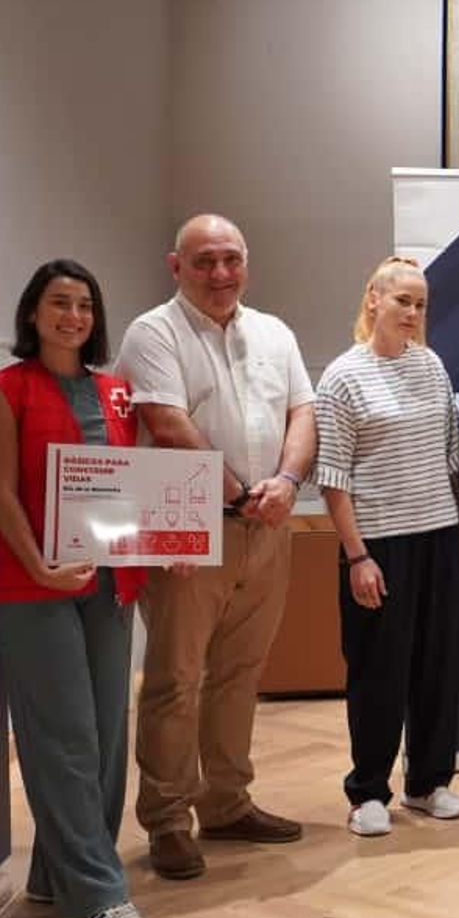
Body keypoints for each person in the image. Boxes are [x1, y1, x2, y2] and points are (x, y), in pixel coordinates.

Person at [116, 214, 316, 880]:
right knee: (176, 680)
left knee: (240, 674)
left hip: (268, 525)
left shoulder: (274, 332)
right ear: (177, 267)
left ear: (247, 263)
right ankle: (168, 819)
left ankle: (226, 803)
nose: (221, 273)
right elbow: (166, 423)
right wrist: (237, 494)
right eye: (205, 261)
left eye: (232, 259)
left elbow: (302, 413)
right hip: (187, 529)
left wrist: (286, 482)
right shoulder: (154, 332)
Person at [0, 261, 151, 918]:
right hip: (33, 589)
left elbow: (132, 486)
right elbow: (3, 493)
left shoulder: (117, 392)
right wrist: (41, 566)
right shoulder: (3, 389)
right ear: (32, 314)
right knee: (65, 736)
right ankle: (99, 893)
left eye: (84, 305)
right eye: (59, 303)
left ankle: (58, 876)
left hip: (110, 586)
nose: (72, 316)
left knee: (107, 740)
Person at [315, 257, 459, 836]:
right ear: (373, 300)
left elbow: (451, 458)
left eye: (421, 304)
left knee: (436, 666)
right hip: (377, 546)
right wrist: (357, 556)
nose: (412, 313)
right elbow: (334, 479)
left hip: (436, 536)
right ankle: (368, 793)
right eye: (402, 300)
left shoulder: (431, 366)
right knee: (379, 671)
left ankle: (429, 783)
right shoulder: (342, 377)